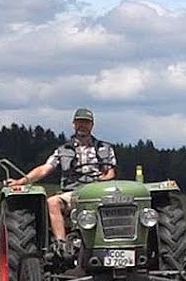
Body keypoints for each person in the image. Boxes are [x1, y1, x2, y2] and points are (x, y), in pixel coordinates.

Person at [6, 107, 118, 255]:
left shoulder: (105, 148)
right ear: (73, 124)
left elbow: (110, 172)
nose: (82, 125)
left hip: (98, 192)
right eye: (79, 122)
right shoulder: (63, 150)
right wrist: (21, 181)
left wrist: (102, 179)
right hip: (73, 193)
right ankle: (62, 245)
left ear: (92, 125)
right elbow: (45, 169)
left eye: (86, 122)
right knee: (52, 202)